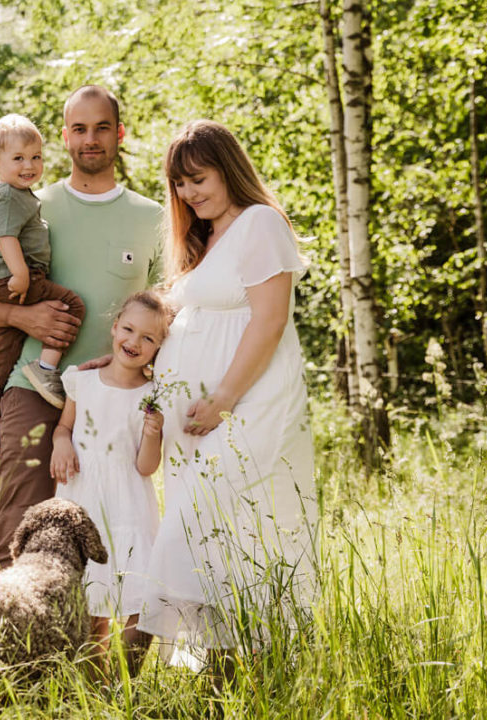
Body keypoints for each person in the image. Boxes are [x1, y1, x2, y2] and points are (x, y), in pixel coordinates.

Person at [0, 85, 162, 578]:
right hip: (31, 388)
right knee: (18, 531)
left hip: (114, 399)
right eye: (80, 129)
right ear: (65, 137)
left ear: (120, 134)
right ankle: (2, 653)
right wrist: (21, 318)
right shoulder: (26, 200)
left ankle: (87, 656)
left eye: (102, 128)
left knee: (109, 543)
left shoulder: (152, 218)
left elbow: (164, 315)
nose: (91, 139)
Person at [137, 120, 317, 670]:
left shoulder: (260, 223)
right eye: (180, 185)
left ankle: (118, 679)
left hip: (245, 411)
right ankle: (225, 679)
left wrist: (223, 399)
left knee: (198, 530)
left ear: (228, 168)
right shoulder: (205, 236)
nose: (190, 193)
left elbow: (268, 321)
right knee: (217, 540)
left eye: (199, 178)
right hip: (197, 423)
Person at [50, 290, 172, 675]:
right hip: (83, 494)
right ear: (115, 326)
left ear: (159, 348)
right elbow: (64, 427)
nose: (134, 342)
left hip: (130, 504)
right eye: (129, 330)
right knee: (90, 595)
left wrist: (153, 434)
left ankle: (122, 680)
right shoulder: (81, 381)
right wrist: (60, 444)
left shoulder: (152, 395)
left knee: (140, 594)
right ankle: (92, 683)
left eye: (148, 338)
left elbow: (145, 467)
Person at [0, 114, 86, 454]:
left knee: (6, 346)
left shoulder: (18, 193)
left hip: (9, 279)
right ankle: (45, 369)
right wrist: (20, 274)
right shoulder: (8, 195)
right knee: (71, 305)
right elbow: (5, 236)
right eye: (18, 158)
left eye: (36, 157)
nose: (29, 165)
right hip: (16, 278)